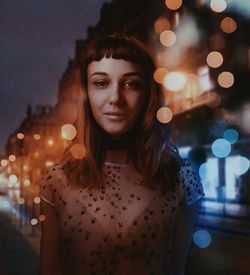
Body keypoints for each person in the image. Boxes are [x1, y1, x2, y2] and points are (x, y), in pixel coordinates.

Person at [39, 34, 204, 275]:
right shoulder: (57, 181)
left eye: (131, 84)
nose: (115, 98)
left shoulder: (180, 177)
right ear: (85, 94)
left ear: (148, 94)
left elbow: (178, 270)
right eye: (100, 83)